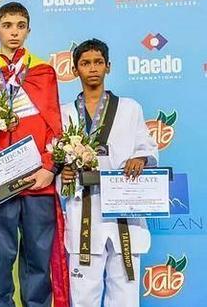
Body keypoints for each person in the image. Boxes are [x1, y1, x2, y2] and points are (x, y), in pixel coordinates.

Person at [0, 2, 69, 307]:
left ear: (28, 30)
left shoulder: (43, 72)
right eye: (8, 25)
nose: (14, 32)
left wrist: (50, 168)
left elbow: (56, 126)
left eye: (20, 25)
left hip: (37, 181)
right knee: (0, 261)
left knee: (38, 261)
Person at [60, 38, 158, 307]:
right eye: (85, 63)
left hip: (123, 212)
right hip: (83, 210)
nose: (93, 68)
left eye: (98, 62)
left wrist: (141, 158)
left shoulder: (130, 108)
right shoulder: (64, 113)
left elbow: (148, 147)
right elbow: (57, 163)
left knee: (125, 296)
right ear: (75, 69)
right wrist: (63, 175)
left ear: (108, 67)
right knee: (82, 297)